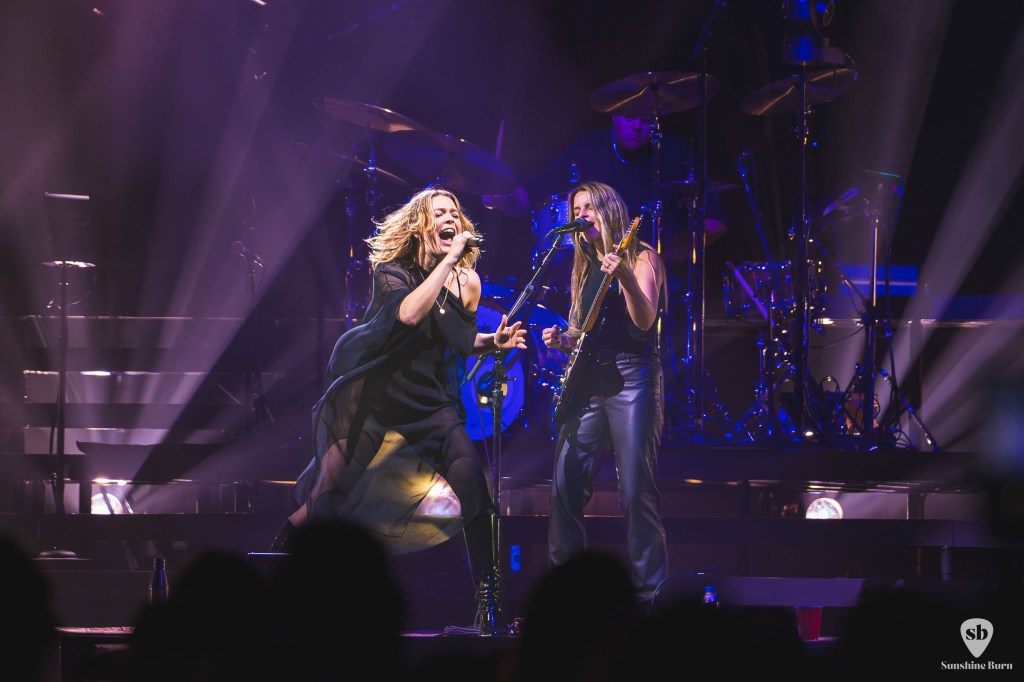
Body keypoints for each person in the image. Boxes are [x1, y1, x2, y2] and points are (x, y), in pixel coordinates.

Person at [271, 187, 528, 637]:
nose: (450, 218)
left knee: (473, 483)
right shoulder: (392, 271)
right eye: (439, 213)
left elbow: (457, 337)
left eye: (455, 212)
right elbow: (409, 316)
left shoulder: (468, 282)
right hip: (374, 396)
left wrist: (491, 342)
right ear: (421, 226)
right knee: (330, 493)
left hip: (430, 402)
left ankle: (488, 606)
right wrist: (448, 263)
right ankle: (271, 584)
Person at [539, 180, 669, 611]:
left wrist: (627, 276)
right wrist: (562, 338)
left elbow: (644, 320)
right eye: (576, 207)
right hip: (591, 380)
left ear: (609, 211)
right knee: (565, 482)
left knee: (634, 487)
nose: (582, 214)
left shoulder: (641, 256)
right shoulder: (583, 263)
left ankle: (650, 593)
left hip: (633, 377)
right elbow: (584, 330)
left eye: (590, 206)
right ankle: (567, 591)